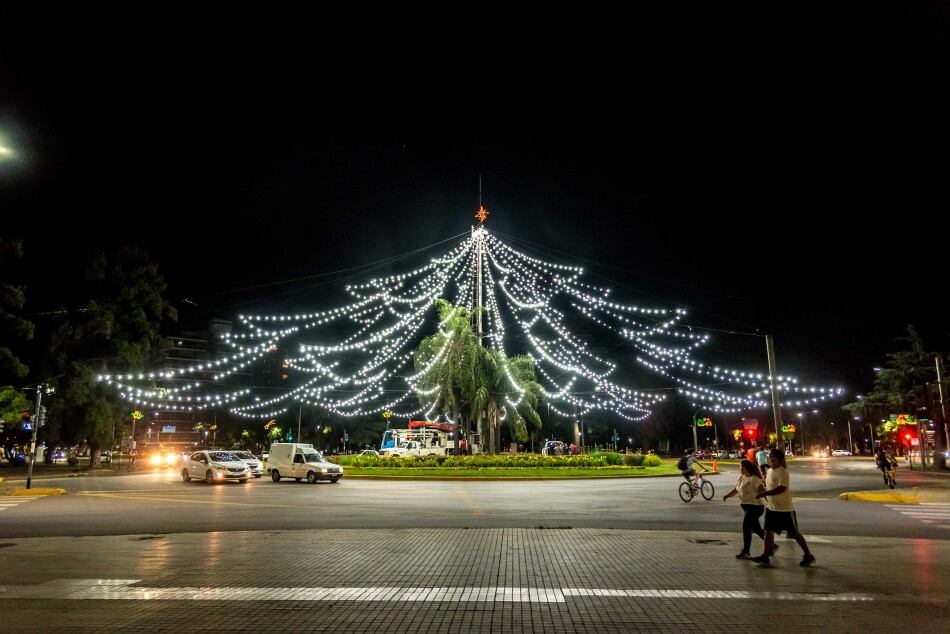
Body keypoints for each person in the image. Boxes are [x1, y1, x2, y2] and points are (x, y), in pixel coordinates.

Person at [751, 448, 815, 566]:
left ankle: (808, 555)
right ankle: (765, 556)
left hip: (784, 508)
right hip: (772, 507)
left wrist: (765, 493)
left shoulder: (783, 472)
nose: (771, 461)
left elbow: (782, 488)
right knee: (768, 532)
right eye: (770, 459)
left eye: (773, 459)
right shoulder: (769, 471)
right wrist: (763, 491)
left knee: (794, 533)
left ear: (780, 460)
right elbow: (769, 487)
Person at [723, 459, 766, 559]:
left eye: (741, 467)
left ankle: (746, 551)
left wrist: (767, 499)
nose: (740, 469)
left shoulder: (754, 479)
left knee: (746, 527)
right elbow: (736, 489)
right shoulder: (742, 477)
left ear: (746, 468)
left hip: (755, 507)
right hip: (747, 507)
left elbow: (762, 491)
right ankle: (772, 545)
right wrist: (727, 496)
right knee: (756, 529)